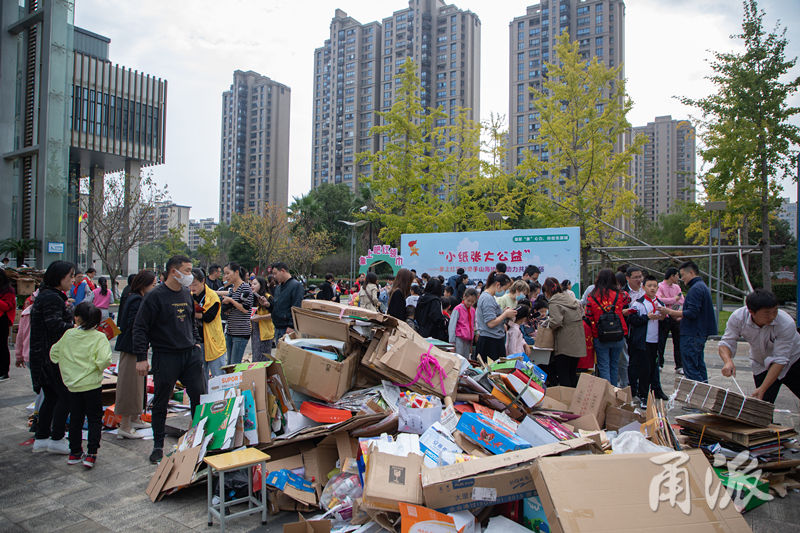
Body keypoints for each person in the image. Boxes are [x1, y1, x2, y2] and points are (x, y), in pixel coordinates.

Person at [132, 255, 205, 464]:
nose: (190, 275)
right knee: (161, 402)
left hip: (190, 355)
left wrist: (197, 342)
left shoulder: (185, 292)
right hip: (165, 356)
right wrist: (141, 357)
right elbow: (140, 327)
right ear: (174, 271)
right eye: (188, 270)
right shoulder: (155, 296)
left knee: (199, 398)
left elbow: (191, 320)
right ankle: (157, 445)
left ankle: (198, 440)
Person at [49, 302, 112, 468]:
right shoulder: (99, 337)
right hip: (92, 385)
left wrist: (68, 365)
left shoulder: (68, 334)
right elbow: (105, 360)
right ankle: (91, 454)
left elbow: (54, 354)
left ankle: (75, 452)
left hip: (72, 386)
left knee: (76, 419)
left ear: (77, 318)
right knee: (94, 419)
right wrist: (97, 367)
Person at [717, 289, 800, 403]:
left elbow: (780, 360)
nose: (772, 316)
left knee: (763, 390)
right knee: (763, 405)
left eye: (775, 311)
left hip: (793, 361)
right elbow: (726, 342)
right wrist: (728, 361)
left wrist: (763, 388)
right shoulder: (738, 318)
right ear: (751, 312)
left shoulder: (786, 323)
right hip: (762, 364)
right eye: (766, 313)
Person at [30, 260, 76, 454]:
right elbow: (54, 326)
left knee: (51, 397)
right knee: (65, 397)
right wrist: (76, 328)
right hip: (50, 359)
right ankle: (56, 437)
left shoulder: (50, 295)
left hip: (45, 357)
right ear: (59, 277)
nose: (72, 281)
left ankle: (41, 437)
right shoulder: (51, 298)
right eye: (70, 276)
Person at [114, 270, 157, 439]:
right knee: (129, 387)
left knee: (138, 386)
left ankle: (135, 418)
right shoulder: (136, 301)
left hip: (136, 349)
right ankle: (124, 426)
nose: (154, 287)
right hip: (132, 349)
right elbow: (136, 327)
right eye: (153, 284)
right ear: (144, 284)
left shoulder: (135, 298)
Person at [658, 261, 717, 383]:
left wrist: (669, 311)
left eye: (683, 275)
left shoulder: (696, 289)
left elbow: (692, 312)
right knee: (698, 365)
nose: (681, 278)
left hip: (692, 333)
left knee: (691, 367)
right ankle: (704, 392)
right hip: (697, 332)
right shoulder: (701, 286)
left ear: (691, 272)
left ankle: (698, 393)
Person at [585, 269, 628, 386]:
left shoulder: (592, 296)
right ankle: (613, 392)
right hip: (618, 334)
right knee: (614, 365)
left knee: (604, 366)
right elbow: (627, 299)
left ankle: (606, 394)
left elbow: (588, 315)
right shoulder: (620, 295)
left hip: (600, 335)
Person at [628, 275, 668, 405]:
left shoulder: (660, 303)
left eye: (655, 286)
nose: (652, 288)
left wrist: (663, 318)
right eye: (649, 286)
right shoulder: (638, 303)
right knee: (644, 369)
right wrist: (647, 317)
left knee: (653, 368)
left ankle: (655, 390)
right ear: (644, 287)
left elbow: (666, 323)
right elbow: (632, 320)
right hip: (643, 342)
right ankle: (643, 394)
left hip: (656, 341)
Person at [545, 277, 586, 387]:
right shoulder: (569, 298)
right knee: (572, 372)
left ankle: (566, 401)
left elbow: (556, 321)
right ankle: (574, 399)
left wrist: (547, 323)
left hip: (565, 343)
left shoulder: (554, 301)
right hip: (577, 341)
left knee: (563, 374)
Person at [189, 269, 226, 379]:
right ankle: (203, 395)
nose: (192, 287)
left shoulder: (212, 297)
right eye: (190, 284)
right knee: (200, 375)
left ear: (203, 281)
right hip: (197, 341)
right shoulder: (189, 296)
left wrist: (191, 312)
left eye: (195, 284)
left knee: (218, 375)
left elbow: (208, 317)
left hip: (213, 340)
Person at [217, 263, 252, 366]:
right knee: (229, 364)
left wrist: (231, 301)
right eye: (225, 274)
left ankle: (237, 383)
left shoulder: (245, 287)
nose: (226, 276)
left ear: (236, 272)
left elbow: (246, 309)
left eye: (228, 273)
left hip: (240, 332)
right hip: (230, 331)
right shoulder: (233, 289)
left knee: (235, 365)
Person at [475, 272, 516, 359]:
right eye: (505, 289)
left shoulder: (489, 297)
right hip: (490, 342)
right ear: (498, 285)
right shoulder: (487, 298)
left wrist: (503, 312)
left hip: (492, 340)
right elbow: (490, 323)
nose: (505, 292)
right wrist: (505, 314)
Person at [621, 266, 645, 389]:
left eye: (640, 277)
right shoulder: (623, 292)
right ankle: (631, 386)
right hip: (629, 330)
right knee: (629, 360)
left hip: (645, 331)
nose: (638, 280)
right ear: (627, 278)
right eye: (635, 277)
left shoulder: (646, 290)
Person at [657, 267, 684, 374]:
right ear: (672, 276)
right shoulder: (660, 286)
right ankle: (659, 363)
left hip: (675, 317)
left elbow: (681, 301)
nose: (678, 278)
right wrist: (673, 299)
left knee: (678, 342)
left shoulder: (677, 287)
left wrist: (670, 302)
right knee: (661, 341)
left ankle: (679, 365)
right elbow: (659, 299)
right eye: (677, 275)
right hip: (664, 318)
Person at [271, 262, 304, 342]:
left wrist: (291, 326)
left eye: (275, 273)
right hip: (277, 326)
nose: (274, 277)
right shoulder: (278, 287)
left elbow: (296, 306)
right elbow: (276, 305)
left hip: (287, 328)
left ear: (282, 271)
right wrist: (268, 305)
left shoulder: (296, 285)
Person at [250, 276, 275, 362]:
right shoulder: (253, 297)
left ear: (261, 285)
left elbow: (274, 314)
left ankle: (263, 375)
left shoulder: (268, 298)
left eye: (255, 284)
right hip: (255, 330)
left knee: (263, 358)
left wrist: (260, 317)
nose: (252, 286)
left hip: (265, 331)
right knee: (255, 356)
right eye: (251, 284)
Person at [0, 270, 15, 381]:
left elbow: (7, 306)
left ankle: (4, 372)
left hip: (3, 320)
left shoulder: (8, 290)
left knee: (2, 346)